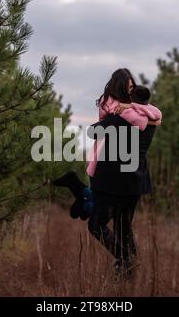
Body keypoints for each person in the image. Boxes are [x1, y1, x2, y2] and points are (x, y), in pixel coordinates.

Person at [53, 69, 161, 278]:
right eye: (128, 88)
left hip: (114, 180)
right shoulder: (150, 120)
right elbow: (155, 117)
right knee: (123, 226)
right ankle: (130, 271)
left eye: (131, 89)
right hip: (136, 182)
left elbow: (93, 131)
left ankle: (126, 261)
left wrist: (114, 116)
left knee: (96, 225)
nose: (129, 93)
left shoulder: (118, 119)